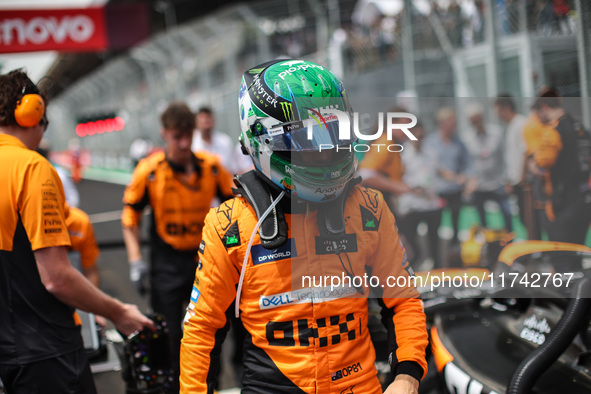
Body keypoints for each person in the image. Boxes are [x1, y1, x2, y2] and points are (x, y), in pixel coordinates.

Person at [180, 59, 428, 393]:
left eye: (334, 134)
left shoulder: (368, 206)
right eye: (308, 140)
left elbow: (403, 299)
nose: (326, 152)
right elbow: (202, 329)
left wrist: (407, 375)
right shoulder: (230, 225)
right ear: (263, 139)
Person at [0, 69, 153, 393]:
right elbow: (55, 277)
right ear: (31, 113)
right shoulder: (31, 167)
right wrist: (118, 312)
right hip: (44, 350)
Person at [121, 101, 234, 389]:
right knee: (170, 336)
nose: (184, 143)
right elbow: (129, 217)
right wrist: (135, 262)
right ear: (165, 134)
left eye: (188, 135)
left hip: (205, 262)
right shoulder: (150, 171)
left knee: (210, 334)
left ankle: (210, 387)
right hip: (166, 263)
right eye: (177, 137)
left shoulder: (210, 167)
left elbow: (236, 207)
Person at [532, 95, 591, 244]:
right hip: (585, 199)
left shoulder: (553, 131)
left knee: (562, 257)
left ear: (544, 107)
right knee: (577, 251)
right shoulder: (581, 128)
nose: (538, 119)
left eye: (537, 114)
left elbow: (543, 162)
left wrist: (533, 164)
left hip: (562, 203)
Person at [397, 122, 444, 269]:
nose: (420, 139)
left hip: (430, 204)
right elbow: (397, 177)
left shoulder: (431, 152)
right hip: (412, 206)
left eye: (423, 136)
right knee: (413, 247)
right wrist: (410, 189)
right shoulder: (402, 154)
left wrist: (458, 177)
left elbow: (438, 171)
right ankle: (409, 276)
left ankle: (437, 277)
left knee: (435, 246)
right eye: (418, 136)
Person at [424, 107, 472, 244]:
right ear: (442, 124)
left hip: (455, 189)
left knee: (456, 223)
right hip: (438, 190)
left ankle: (454, 253)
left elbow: (467, 163)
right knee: (435, 225)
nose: (455, 127)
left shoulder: (459, 142)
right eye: (453, 124)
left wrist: (466, 177)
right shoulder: (431, 143)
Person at [463, 103, 513, 233]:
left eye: (477, 120)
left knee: (507, 212)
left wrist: (507, 179)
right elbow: (467, 162)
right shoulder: (467, 138)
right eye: (473, 122)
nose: (476, 124)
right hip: (479, 184)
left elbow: (505, 157)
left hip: (498, 182)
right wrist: (470, 180)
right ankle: (488, 243)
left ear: (483, 118)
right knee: (481, 218)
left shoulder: (496, 133)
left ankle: (509, 240)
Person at [495, 95, 528, 233]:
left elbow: (525, 152)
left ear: (506, 108)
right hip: (516, 182)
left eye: (498, 110)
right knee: (523, 219)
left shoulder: (520, 123)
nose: (497, 115)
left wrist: (521, 178)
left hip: (524, 183)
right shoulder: (511, 126)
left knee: (529, 219)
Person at [192, 106, 238, 174]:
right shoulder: (193, 146)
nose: (205, 119)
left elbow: (234, 169)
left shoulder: (225, 141)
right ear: (196, 122)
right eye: (202, 117)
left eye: (208, 117)